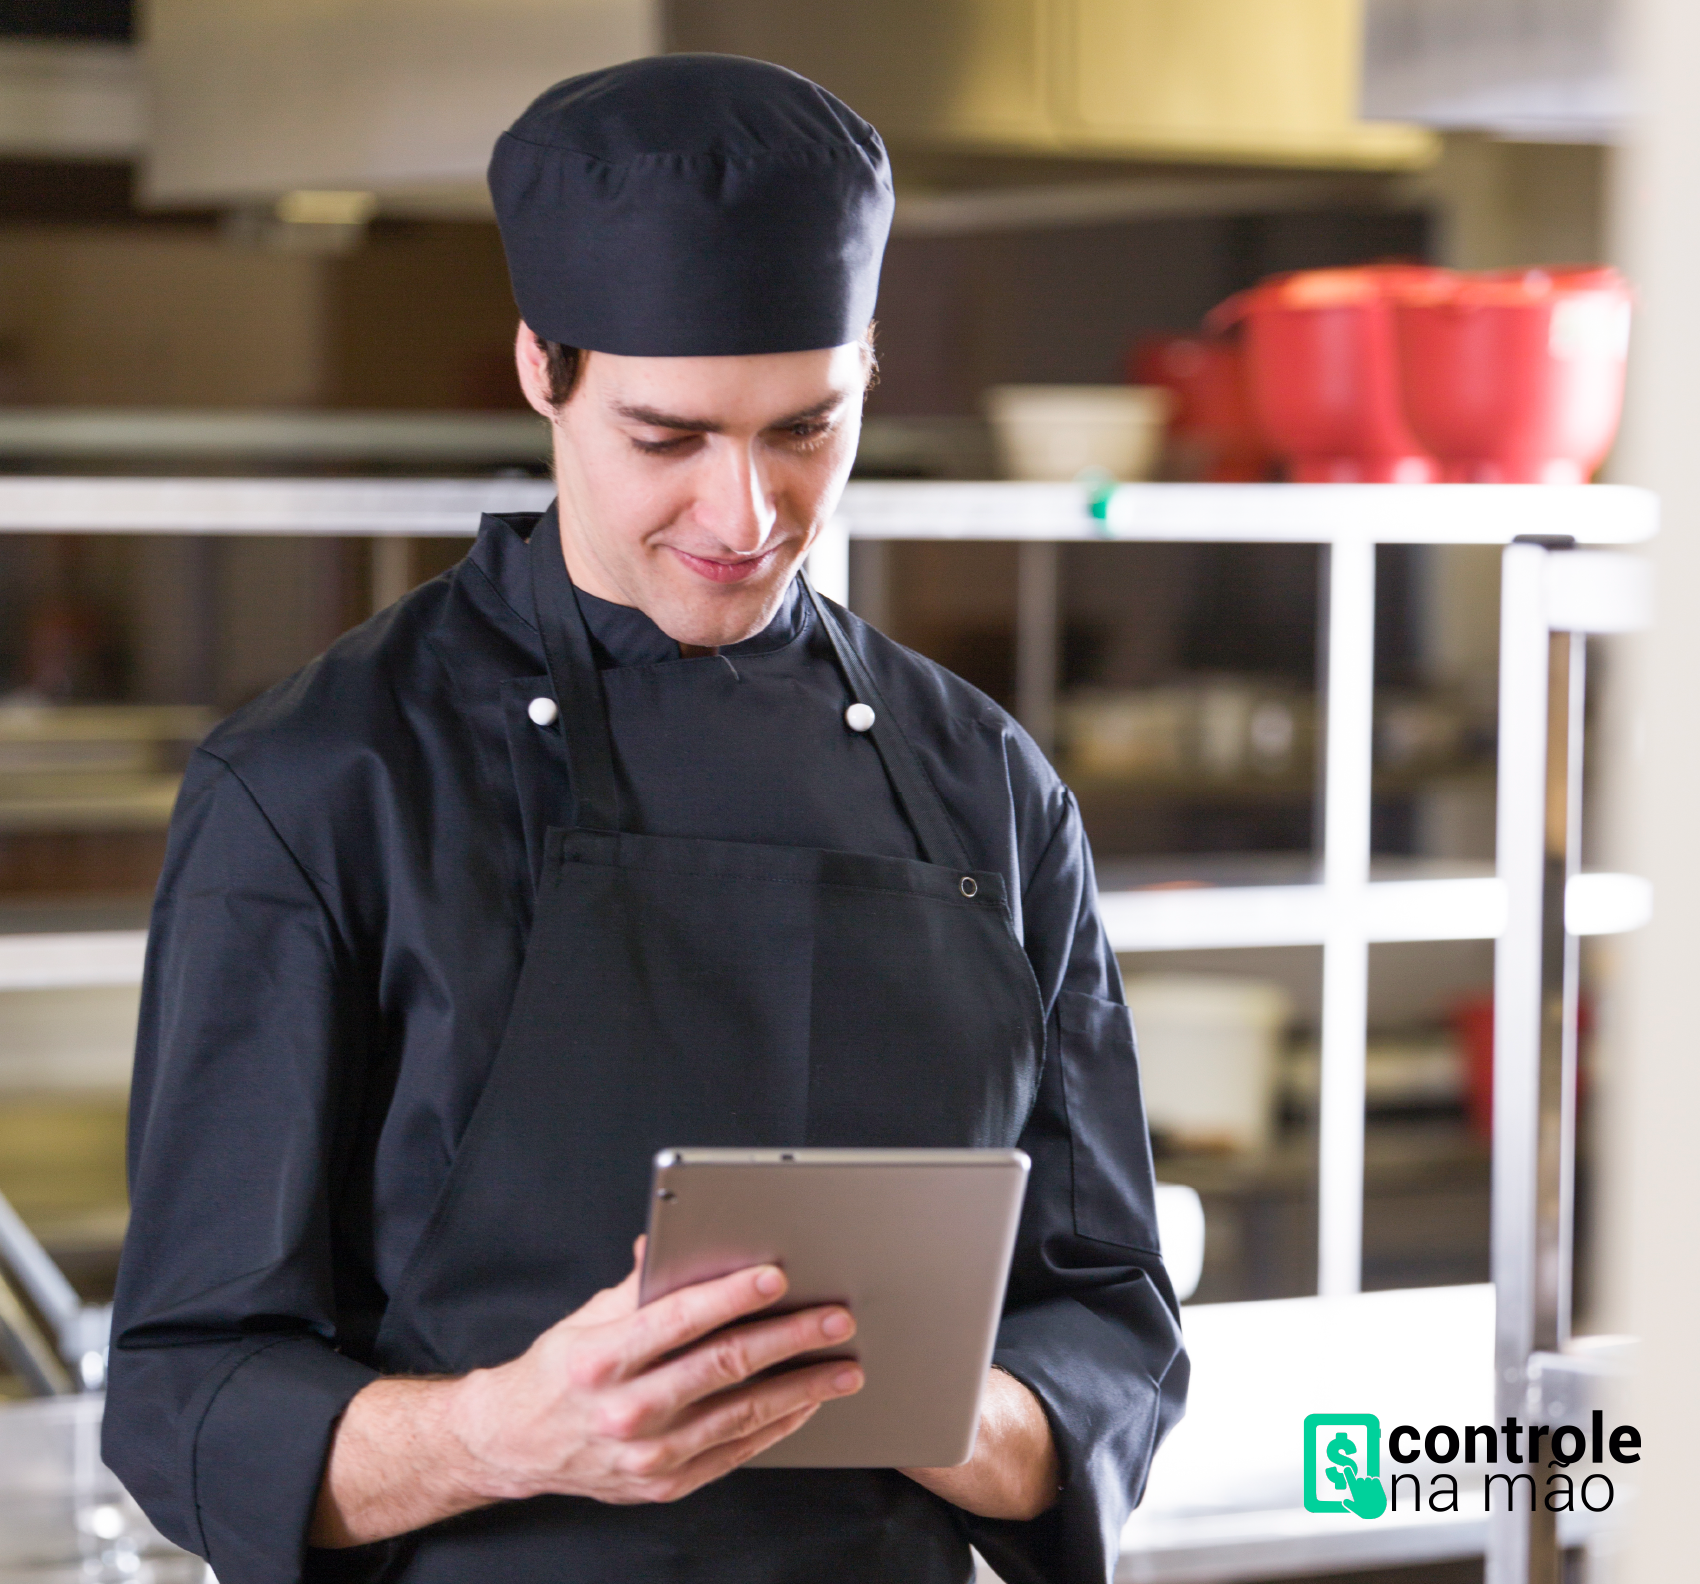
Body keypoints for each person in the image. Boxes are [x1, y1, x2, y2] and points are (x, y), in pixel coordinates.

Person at [103, 54, 1187, 1584]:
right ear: (545, 371)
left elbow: (1109, 1320)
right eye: (669, 439)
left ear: (868, 366)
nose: (746, 517)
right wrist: (505, 1433)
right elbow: (183, 1397)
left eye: (806, 429)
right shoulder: (319, 785)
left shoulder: (990, 787)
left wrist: (936, 1412)